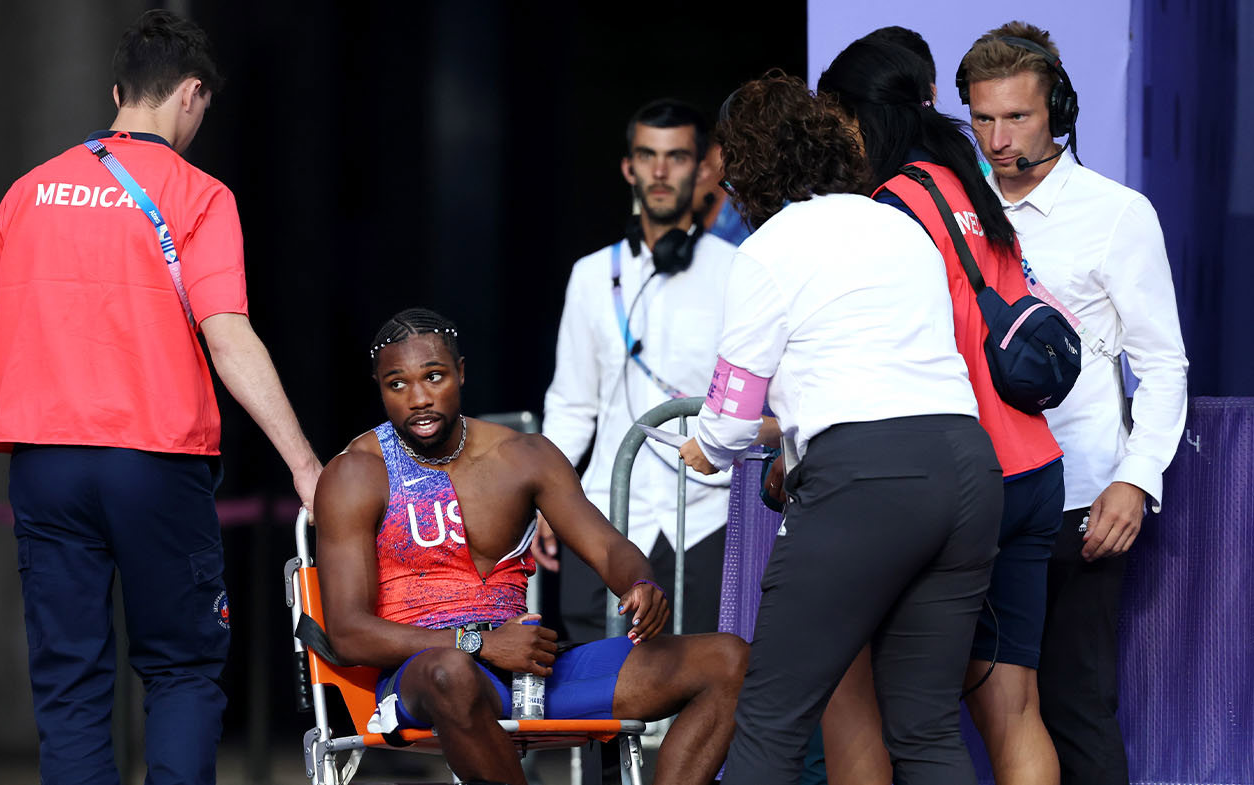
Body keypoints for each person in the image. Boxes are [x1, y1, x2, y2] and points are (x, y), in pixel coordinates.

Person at [0, 11, 323, 783]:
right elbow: (228, 336)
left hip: (43, 466)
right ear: (190, 94)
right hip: (154, 462)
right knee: (180, 667)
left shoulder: (27, 193)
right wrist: (304, 462)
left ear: (117, 91)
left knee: (69, 681)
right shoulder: (202, 195)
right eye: (203, 105)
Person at [678, 70, 1003, 785]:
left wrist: (703, 446)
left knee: (769, 718)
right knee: (925, 728)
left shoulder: (768, 249)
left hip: (869, 478)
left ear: (747, 166)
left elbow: (730, 416)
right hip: (967, 470)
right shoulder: (897, 224)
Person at [313, 308, 748, 785]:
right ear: (379, 387)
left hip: (530, 670)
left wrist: (639, 580)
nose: (418, 399)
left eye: (434, 377)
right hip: (423, 674)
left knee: (729, 660)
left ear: (461, 372)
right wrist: (480, 644)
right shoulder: (355, 473)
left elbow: (605, 547)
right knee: (451, 672)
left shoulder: (524, 457)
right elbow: (349, 633)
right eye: (397, 384)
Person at [807, 37, 1065, 785]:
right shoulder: (972, 177)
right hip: (1032, 467)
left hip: (950, 475)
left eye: (840, 119)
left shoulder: (889, 207)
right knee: (1016, 710)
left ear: (862, 118)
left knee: (849, 690)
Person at [959, 22, 1188, 785]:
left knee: (1073, 704)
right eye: (981, 117)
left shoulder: (1118, 213)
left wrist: (1137, 476)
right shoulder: (954, 213)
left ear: (1058, 109)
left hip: (1079, 495)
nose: (997, 137)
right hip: (967, 493)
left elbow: (1162, 364)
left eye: (1016, 116)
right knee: (952, 705)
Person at [539, 99, 740, 640]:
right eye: (647, 156)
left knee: (704, 686)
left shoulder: (738, 272)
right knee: (599, 696)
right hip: (606, 513)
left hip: (706, 517)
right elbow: (571, 405)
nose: (658, 171)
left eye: (675, 157)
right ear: (629, 167)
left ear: (702, 170)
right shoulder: (589, 276)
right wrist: (544, 499)